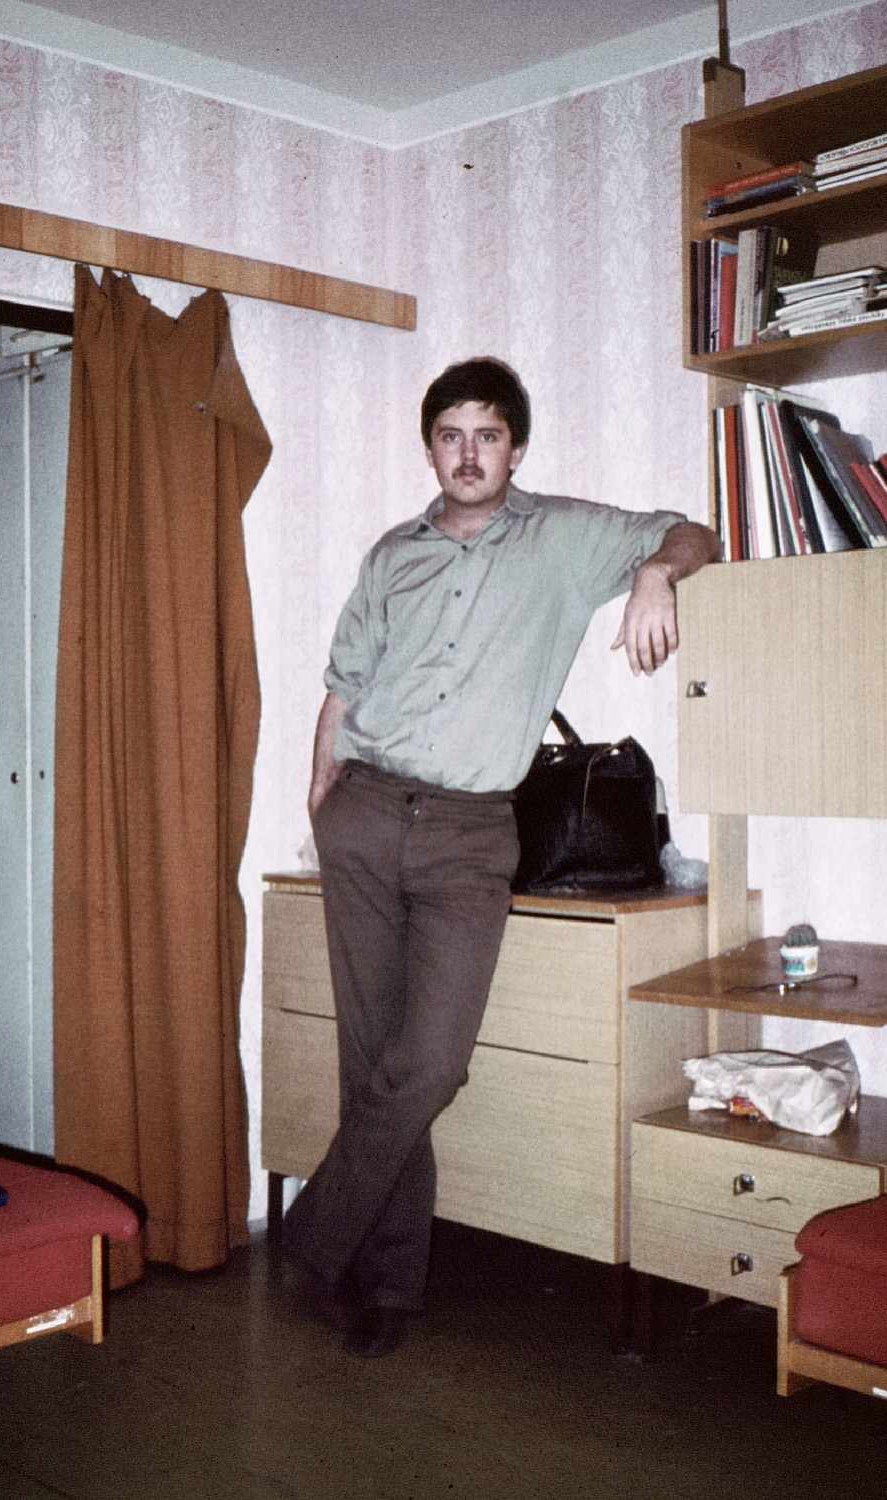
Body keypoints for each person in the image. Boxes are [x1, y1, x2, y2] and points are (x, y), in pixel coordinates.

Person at [283, 358, 721, 1358]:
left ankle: (315, 1237)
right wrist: (321, 790)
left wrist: (654, 573)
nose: (468, 453)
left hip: (470, 831)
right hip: (362, 811)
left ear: (514, 448)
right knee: (371, 1061)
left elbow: (692, 532)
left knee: (429, 1064)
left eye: (487, 435)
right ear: (430, 448)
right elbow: (345, 684)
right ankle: (385, 1285)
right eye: (451, 435)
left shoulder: (562, 538)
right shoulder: (392, 555)